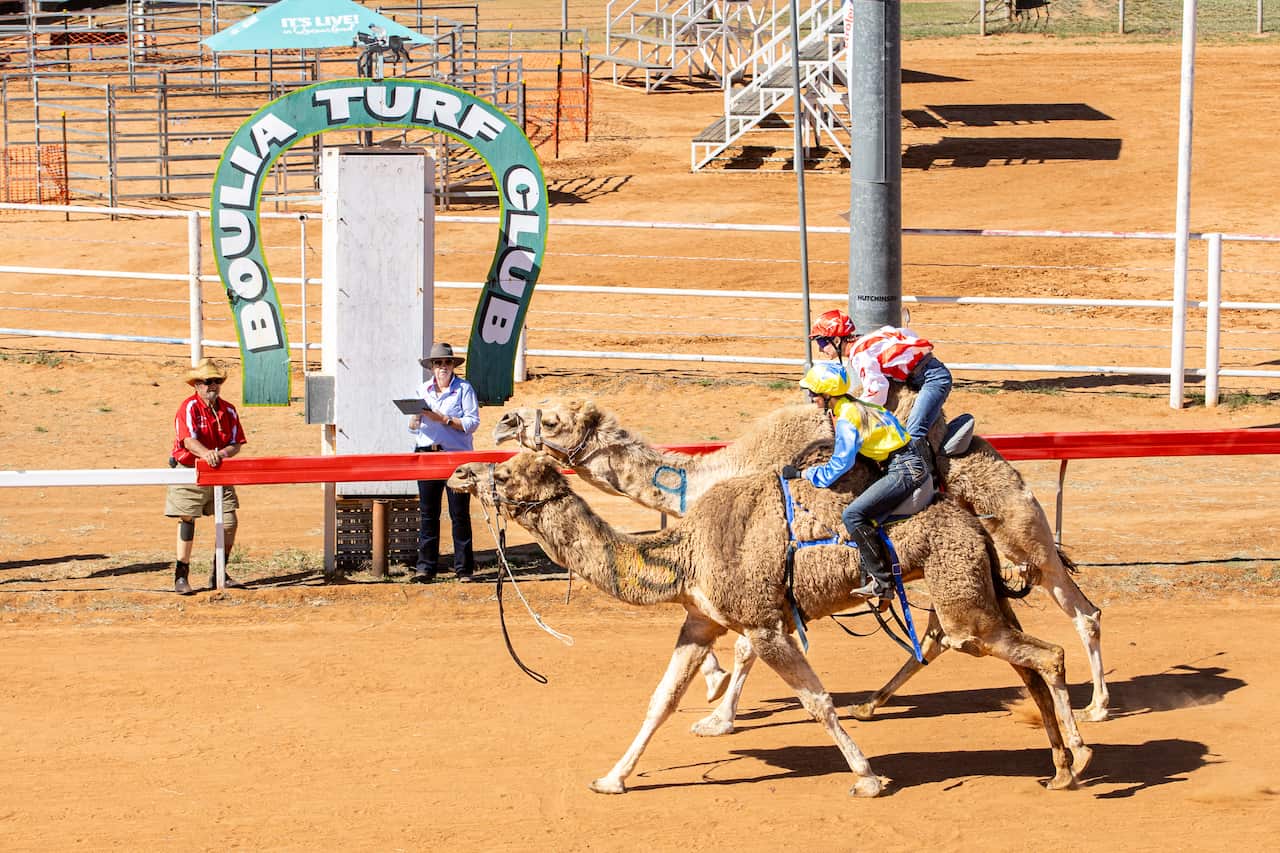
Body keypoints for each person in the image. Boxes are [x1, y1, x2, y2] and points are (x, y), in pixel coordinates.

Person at [781, 361, 928, 600]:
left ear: (827, 394)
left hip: (903, 469)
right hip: (905, 461)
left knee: (852, 515)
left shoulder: (848, 419)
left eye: (813, 393)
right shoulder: (857, 405)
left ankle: (882, 582)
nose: (811, 398)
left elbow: (840, 465)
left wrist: (804, 474)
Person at [809, 308, 953, 470]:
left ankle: (922, 475)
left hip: (932, 379)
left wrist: (851, 411)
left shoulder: (860, 355)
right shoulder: (867, 340)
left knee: (913, 431)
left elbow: (877, 392)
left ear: (836, 340)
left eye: (821, 343)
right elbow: (906, 333)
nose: (820, 349)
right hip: (926, 373)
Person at [164, 357, 246, 595]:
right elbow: (188, 441)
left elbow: (236, 442)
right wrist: (207, 454)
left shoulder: (228, 409)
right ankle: (181, 574)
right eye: (208, 381)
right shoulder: (188, 407)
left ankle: (219, 571)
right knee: (187, 517)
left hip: (220, 469)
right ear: (197, 385)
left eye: (217, 381)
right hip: (191, 469)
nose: (213, 385)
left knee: (229, 521)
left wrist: (218, 454)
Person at [408, 342, 480, 583]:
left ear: (452, 366)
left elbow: (472, 423)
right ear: (432, 367)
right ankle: (426, 568)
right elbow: (414, 428)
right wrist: (414, 421)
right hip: (427, 454)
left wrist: (444, 419)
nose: (443, 367)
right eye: (438, 363)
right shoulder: (422, 390)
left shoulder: (464, 389)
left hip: (456, 458)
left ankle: (464, 569)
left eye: (447, 363)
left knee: (459, 513)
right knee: (428, 513)